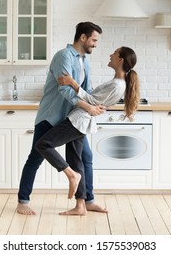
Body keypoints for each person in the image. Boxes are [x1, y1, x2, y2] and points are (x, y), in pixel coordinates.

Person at [36, 46, 140, 215]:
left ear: (120, 60)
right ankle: (81, 205)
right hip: (80, 120)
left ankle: (71, 175)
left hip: (78, 120)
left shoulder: (117, 84)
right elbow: (94, 97)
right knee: (77, 159)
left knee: (43, 144)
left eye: (114, 53)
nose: (110, 54)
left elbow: (91, 101)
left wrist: (73, 83)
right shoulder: (117, 82)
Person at [16, 22, 107, 215]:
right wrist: (89, 106)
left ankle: (88, 200)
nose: (95, 44)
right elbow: (65, 89)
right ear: (82, 37)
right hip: (51, 116)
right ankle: (23, 201)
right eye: (93, 39)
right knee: (36, 158)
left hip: (72, 119)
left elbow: (86, 90)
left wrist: (93, 104)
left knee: (86, 157)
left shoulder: (84, 61)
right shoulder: (63, 57)